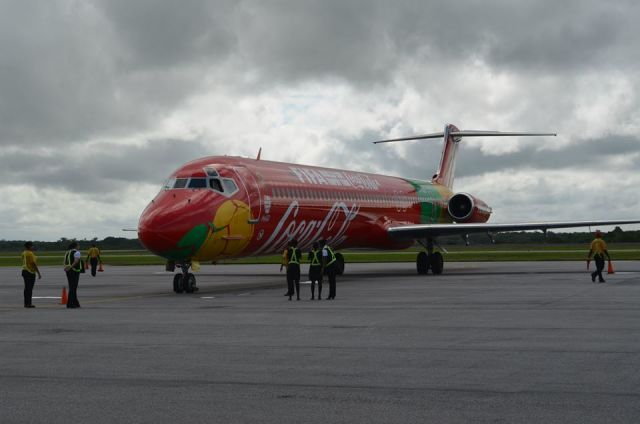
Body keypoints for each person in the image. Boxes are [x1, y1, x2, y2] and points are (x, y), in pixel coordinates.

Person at [21, 241, 41, 308]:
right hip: (30, 272)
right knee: (29, 289)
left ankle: (26, 303)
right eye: (32, 246)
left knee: (26, 288)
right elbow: (33, 263)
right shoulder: (30, 253)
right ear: (29, 246)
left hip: (24, 271)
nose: (33, 247)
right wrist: (38, 272)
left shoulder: (24, 253)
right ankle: (28, 304)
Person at [63, 241, 83, 308]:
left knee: (72, 287)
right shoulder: (77, 252)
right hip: (74, 271)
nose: (79, 247)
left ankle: (75, 302)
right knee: (73, 287)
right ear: (75, 246)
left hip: (68, 271)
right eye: (78, 245)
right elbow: (76, 261)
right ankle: (69, 303)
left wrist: (65, 267)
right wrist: (71, 267)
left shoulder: (67, 252)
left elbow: (64, 261)